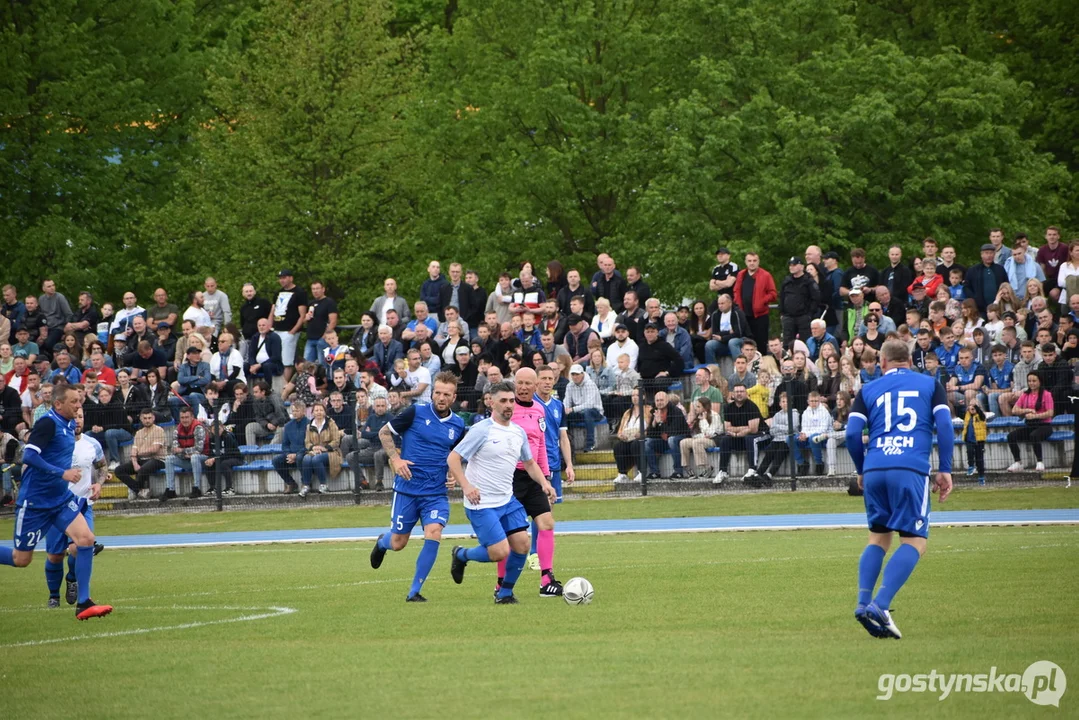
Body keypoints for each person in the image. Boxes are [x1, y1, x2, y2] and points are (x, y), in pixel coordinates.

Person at [846, 339, 954, 639]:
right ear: (910, 360)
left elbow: (853, 433)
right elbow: (944, 426)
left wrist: (861, 469)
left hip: (876, 467)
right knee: (915, 540)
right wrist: (944, 468)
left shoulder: (868, 389)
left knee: (878, 538)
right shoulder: (931, 385)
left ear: (882, 363)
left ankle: (862, 602)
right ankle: (880, 605)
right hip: (910, 467)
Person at [0, 385, 112, 619]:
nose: (79, 405)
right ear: (58, 404)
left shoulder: (70, 425)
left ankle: (84, 603)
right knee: (21, 560)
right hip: (35, 503)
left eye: (79, 401)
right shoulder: (47, 424)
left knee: (86, 540)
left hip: (60, 500)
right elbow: (28, 456)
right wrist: (62, 473)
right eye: (73, 402)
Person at [447, 380, 557, 604]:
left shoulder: (517, 432)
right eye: (503, 401)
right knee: (499, 552)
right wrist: (466, 486)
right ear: (492, 403)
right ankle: (461, 554)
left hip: (507, 501)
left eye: (510, 400)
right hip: (482, 504)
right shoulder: (481, 430)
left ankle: (505, 593)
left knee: (523, 545)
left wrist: (545, 483)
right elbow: (453, 458)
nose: (508, 405)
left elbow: (529, 463)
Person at [368, 373, 465, 601]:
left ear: (454, 397)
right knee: (398, 542)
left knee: (434, 533)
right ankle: (383, 543)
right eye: (438, 392)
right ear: (432, 393)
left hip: (435, 493)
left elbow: (456, 455)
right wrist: (396, 459)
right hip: (407, 490)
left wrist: (452, 473)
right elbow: (384, 432)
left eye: (446, 394)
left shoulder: (458, 424)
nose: (441, 397)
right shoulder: (416, 412)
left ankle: (414, 592)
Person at [41, 407, 107, 608]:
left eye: (81, 417)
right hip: (56, 506)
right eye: (74, 417)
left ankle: (73, 580)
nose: (78, 420)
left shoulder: (92, 444)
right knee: (55, 555)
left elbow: (102, 466)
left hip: (82, 505)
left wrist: (99, 483)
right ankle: (54, 596)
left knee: (80, 547)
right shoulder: (55, 443)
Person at [1006, 372, 1054, 473]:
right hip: (1030, 425)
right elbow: (1014, 410)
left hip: (1044, 425)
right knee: (1011, 436)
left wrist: (1035, 416)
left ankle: (1040, 461)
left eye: (1034, 381)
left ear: (1040, 381)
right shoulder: (1025, 394)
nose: (1031, 383)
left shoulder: (1046, 394)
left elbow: (1050, 413)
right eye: (1029, 381)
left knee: (1034, 435)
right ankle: (1018, 462)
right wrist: (1027, 410)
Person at [115, 408, 167, 499]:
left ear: (153, 418)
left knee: (143, 469)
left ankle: (137, 490)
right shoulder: (139, 433)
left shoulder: (159, 430)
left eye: (149, 418)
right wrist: (135, 463)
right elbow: (134, 451)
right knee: (118, 470)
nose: (147, 420)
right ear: (141, 419)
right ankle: (140, 490)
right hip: (141, 460)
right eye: (145, 418)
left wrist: (139, 452)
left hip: (157, 459)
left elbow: (154, 449)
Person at [732, 252, 777, 350]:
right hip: (744, 315)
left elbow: (773, 294)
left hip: (760, 316)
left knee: (761, 343)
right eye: (749, 261)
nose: (752, 263)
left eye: (754, 261)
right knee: (746, 345)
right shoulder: (741, 275)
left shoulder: (765, 275)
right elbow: (736, 290)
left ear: (758, 262)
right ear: (745, 262)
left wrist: (762, 301)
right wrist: (737, 302)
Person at [272, 269, 308, 383]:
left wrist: (293, 331)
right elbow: (273, 310)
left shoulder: (299, 292)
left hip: (289, 330)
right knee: (275, 358)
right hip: (276, 329)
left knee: (287, 361)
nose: (282, 280)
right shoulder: (277, 293)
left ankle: (284, 386)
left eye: (284, 277)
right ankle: (276, 383)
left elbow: (302, 314)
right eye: (280, 278)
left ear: (291, 278)